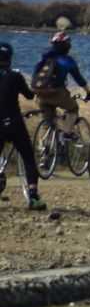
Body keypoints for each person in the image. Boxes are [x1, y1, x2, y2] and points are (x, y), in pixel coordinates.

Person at [0, 42, 45, 210]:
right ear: (10, 58)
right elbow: (28, 94)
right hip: (14, 122)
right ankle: (33, 196)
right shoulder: (15, 76)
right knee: (27, 157)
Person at [32, 31, 90, 137]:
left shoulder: (45, 58)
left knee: (48, 122)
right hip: (57, 93)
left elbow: (35, 75)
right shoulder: (67, 61)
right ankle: (66, 132)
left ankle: (44, 146)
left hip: (40, 93)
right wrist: (89, 92)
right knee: (73, 108)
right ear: (67, 46)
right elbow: (79, 79)